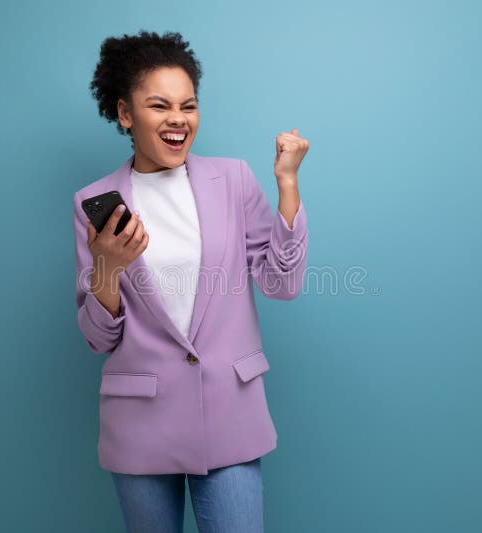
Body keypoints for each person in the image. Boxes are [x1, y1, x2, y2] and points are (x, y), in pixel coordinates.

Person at [73, 30, 310, 532]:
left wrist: (286, 184)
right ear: (124, 113)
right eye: (159, 105)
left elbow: (281, 283)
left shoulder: (234, 180)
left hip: (231, 409)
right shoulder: (94, 202)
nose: (178, 119)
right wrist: (109, 268)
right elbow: (98, 337)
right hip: (140, 419)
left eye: (188, 105)